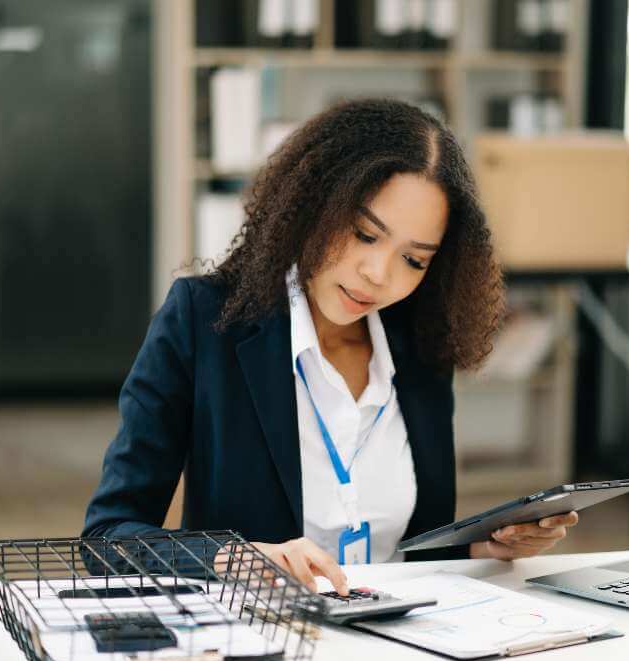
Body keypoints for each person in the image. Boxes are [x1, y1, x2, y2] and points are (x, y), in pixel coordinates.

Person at [82, 98, 579, 595]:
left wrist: (482, 547)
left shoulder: (422, 344)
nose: (378, 274)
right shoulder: (203, 320)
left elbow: (408, 546)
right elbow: (107, 539)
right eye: (365, 234)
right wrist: (235, 557)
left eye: (413, 259)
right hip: (268, 643)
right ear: (314, 203)